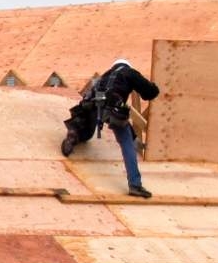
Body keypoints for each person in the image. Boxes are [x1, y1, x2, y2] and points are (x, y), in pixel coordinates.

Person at [61, 59, 160, 198]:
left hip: (92, 104)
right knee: (126, 143)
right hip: (113, 107)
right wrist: (155, 86)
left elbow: (87, 97)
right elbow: (150, 93)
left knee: (87, 133)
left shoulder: (105, 76)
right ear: (127, 66)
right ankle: (135, 185)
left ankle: (74, 134)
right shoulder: (129, 73)